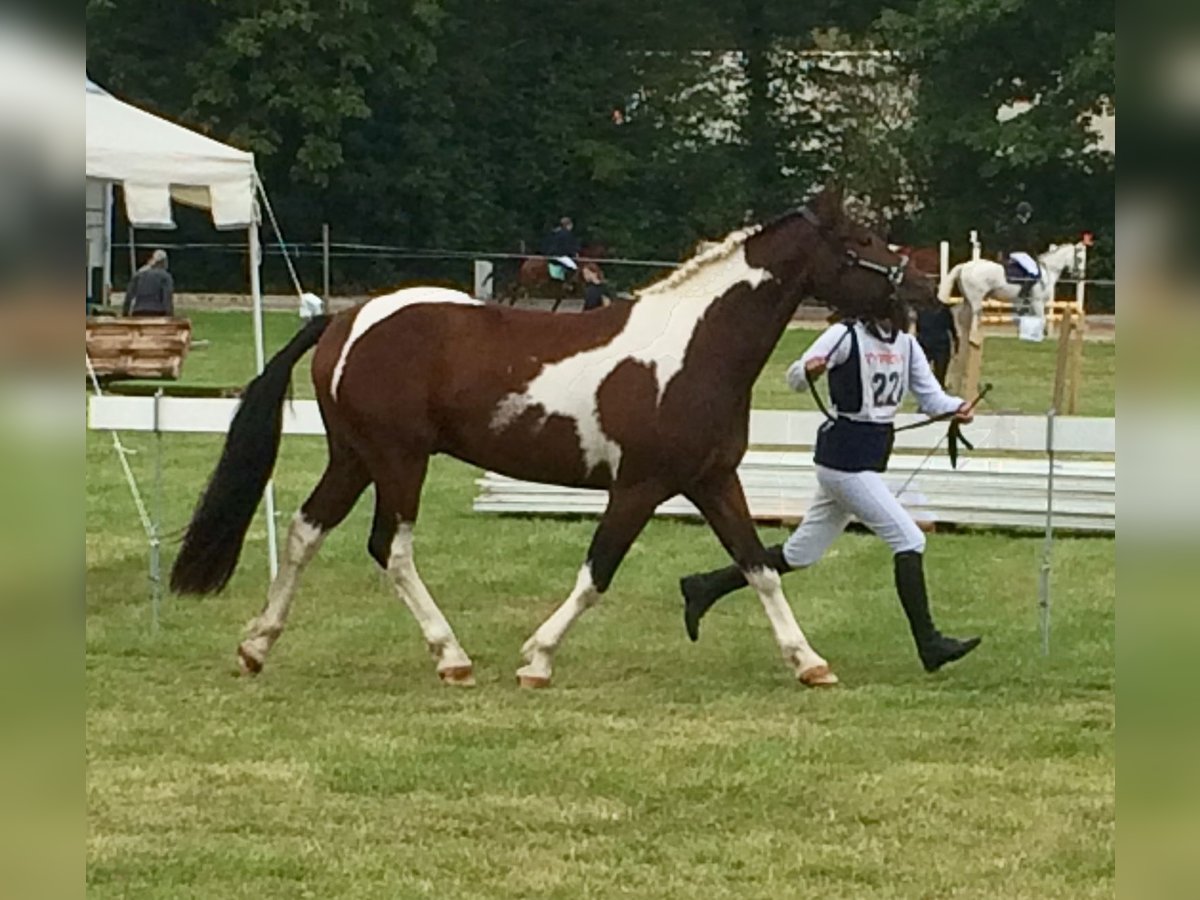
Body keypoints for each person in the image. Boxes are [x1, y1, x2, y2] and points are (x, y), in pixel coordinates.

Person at [679, 290, 982, 673]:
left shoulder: (907, 345)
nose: (906, 312)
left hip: (863, 459)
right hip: (845, 463)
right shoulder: (845, 335)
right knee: (910, 539)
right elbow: (794, 376)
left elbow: (931, 397)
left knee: (799, 554)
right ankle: (930, 644)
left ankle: (705, 586)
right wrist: (812, 370)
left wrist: (957, 409)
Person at [995, 201, 1040, 303]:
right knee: (1034, 271)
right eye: (1028, 213)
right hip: (1018, 252)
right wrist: (1033, 252)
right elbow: (1024, 242)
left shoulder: (1018, 223)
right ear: (1025, 213)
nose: (1029, 215)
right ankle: (1023, 294)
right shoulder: (1018, 224)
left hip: (1018, 251)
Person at [915, 300, 959, 387]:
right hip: (939, 343)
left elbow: (918, 328)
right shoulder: (944, 309)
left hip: (927, 342)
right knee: (940, 372)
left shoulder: (921, 309)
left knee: (923, 371)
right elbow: (951, 328)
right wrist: (956, 340)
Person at [122, 249, 175, 316]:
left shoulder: (139, 274)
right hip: (158, 313)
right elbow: (167, 298)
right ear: (163, 262)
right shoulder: (165, 276)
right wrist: (170, 315)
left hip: (138, 312)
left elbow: (129, 296)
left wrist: (125, 314)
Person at [542, 216, 581, 281]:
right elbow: (567, 247)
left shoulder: (555, 232)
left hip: (549, 254)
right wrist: (574, 253)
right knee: (574, 268)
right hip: (560, 255)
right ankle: (567, 283)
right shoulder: (566, 234)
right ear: (569, 225)